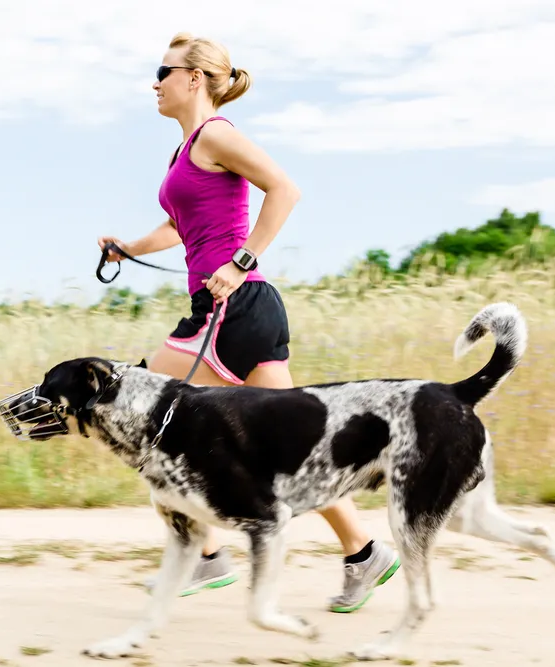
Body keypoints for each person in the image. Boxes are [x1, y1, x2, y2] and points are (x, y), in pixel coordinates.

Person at [97, 32, 399, 613]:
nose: (153, 82)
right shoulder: (185, 150)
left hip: (234, 308)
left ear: (193, 79)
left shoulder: (216, 135)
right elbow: (183, 227)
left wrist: (241, 261)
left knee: (144, 414)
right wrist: (129, 247)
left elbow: (285, 189)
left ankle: (207, 555)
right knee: (293, 446)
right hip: (237, 311)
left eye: (163, 71)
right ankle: (363, 554)